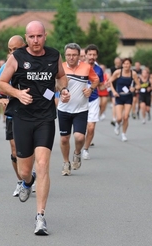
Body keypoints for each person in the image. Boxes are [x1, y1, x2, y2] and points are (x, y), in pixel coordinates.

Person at [0, 21, 68, 235]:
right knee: (24, 171)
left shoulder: (54, 55)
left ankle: (40, 217)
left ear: (45, 36)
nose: (35, 41)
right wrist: (17, 94)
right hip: (22, 117)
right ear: (26, 38)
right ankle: (28, 182)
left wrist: (63, 90)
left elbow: (61, 77)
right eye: (31, 37)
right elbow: (1, 83)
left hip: (45, 117)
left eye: (39, 36)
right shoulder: (17, 57)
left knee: (44, 163)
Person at [0, 35, 33, 196]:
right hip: (12, 116)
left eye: (17, 49)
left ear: (25, 47)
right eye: (11, 50)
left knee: (29, 151)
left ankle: (27, 176)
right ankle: (21, 181)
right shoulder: (5, 67)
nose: (14, 52)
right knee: (15, 151)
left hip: (31, 115)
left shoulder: (33, 65)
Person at [58, 43, 99, 175]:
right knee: (64, 138)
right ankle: (66, 163)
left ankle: (77, 153)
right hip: (64, 108)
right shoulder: (60, 67)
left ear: (79, 56)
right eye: (68, 55)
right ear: (65, 55)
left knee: (79, 137)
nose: (71, 57)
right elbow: (54, 85)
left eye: (74, 55)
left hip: (81, 109)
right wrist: (60, 93)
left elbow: (96, 80)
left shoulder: (86, 67)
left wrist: (90, 89)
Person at [109, 58, 141, 142]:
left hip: (128, 97)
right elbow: (110, 82)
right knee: (119, 118)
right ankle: (117, 124)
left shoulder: (133, 73)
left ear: (130, 65)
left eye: (128, 64)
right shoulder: (118, 72)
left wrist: (134, 88)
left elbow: (138, 85)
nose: (126, 65)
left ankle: (123, 134)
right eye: (125, 64)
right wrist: (114, 92)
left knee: (126, 117)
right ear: (122, 65)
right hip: (119, 97)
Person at [81, 44, 104, 160]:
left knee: (91, 127)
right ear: (85, 55)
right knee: (82, 129)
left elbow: (101, 85)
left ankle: (85, 149)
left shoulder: (99, 70)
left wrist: (106, 86)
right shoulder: (79, 67)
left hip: (93, 100)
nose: (92, 57)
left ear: (97, 56)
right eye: (90, 54)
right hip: (80, 101)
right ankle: (79, 146)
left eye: (94, 55)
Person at [109, 57, 122, 126]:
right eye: (116, 62)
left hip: (121, 88)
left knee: (120, 104)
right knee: (114, 103)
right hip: (114, 87)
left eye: (119, 62)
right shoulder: (112, 69)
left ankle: (118, 117)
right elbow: (110, 77)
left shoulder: (123, 69)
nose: (117, 63)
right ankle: (114, 118)